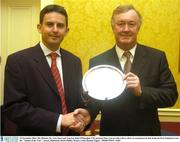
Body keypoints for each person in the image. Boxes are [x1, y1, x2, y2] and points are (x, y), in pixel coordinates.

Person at [85, 4, 178, 136]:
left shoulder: (157, 57)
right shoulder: (98, 62)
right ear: (113, 27)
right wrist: (87, 115)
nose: (126, 29)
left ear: (138, 27)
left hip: (146, 134)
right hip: (112, 134)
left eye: (131, 24)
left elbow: (171, 96)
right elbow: (94, 101)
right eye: (121, 24)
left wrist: (141, 91)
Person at [2, 4, 90, 136]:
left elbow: (78, 100)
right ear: (39, 28)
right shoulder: (18, 61)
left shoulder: (74, 61)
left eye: (60, 26)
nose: (55, 30)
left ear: (66, 30)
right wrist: (59, 120)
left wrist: (84, 117)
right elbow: (14, 108)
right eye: (50, 24)